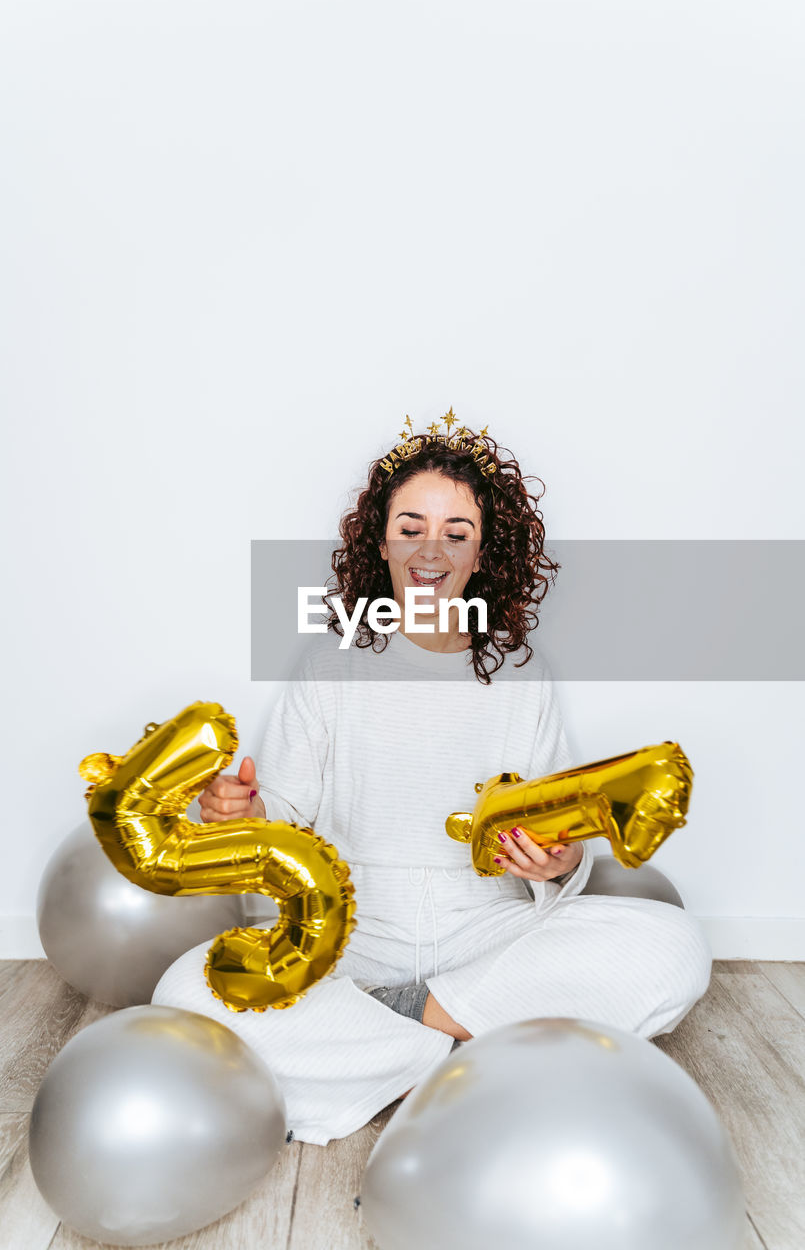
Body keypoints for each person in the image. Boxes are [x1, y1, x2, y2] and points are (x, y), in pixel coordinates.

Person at [152, 418, 712, 1145]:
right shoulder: (329, 666)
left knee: (673, 946)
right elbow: (281, 820)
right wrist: (237, 811)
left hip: (487, 936)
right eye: (410, 526)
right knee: (186, 992)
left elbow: (552, 823)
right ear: (380, 544)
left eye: (456, 530)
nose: (430, 547)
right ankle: (460, 1055)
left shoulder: (520, 674)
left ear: (482, 553)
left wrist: (561, 861)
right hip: (348, 939)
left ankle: (397, 1032)